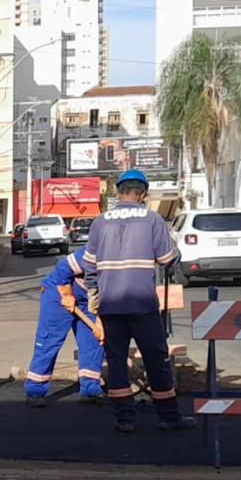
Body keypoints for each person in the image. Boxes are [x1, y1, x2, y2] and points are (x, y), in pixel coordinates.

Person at [83, 169, 196, 433]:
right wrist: (174, 248)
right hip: (142, 306)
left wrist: (94, 296)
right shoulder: (152, 220)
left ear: (118, 192)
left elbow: (90, 266)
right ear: (143, 194)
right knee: (156, 361)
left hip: (111, 305)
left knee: (116, 361)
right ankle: (168, 417)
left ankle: (125, 419)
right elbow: (168, 260)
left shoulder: (100, 222)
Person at [25, 246, 107, 407]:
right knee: (49, 340)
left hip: (88, 300)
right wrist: (67, 295)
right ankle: (35, 389)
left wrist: (101, 320)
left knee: (94, 341)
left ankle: (90, 388)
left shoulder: (125, 268)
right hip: (58, 293)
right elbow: (63, 268)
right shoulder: (96, 251)